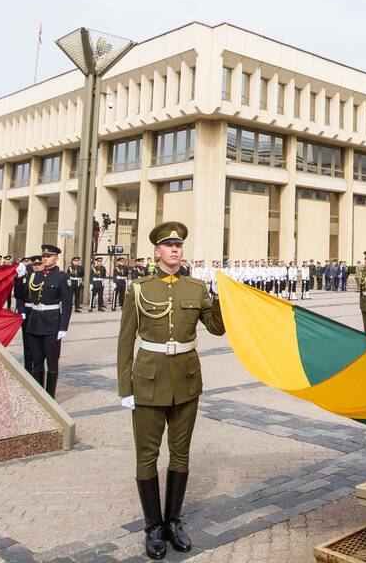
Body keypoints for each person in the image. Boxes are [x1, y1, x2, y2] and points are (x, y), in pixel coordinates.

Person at [117, 222, 225, 559]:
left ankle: (173, 521)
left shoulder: (196, 288)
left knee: (181, 453)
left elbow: (217, 329)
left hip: (187, 380)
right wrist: (125, 387)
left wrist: (221, 298)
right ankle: (152, 526)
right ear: (157, 252)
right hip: (148, 381)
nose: (175, 250)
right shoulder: (138, 288)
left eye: (179, 245)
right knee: (147, 456)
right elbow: (125, 341)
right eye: (168, 245)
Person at [24, 244, 73, 397]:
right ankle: (39, 396)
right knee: (36, 363)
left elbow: (67, 304)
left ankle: (49, 396)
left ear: (56, 258)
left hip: (52, 324)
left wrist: (63, 327)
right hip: (34, 323)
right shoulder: (34, 275)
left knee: (52, 364)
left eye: (49, 256)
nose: (45, 258)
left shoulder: (62, 277)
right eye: (43, 256)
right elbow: (22, 294)